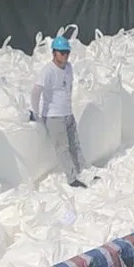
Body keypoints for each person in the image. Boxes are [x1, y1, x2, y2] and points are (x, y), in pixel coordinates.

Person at [29, 35, 87, 188]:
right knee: (63, 148)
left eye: (67, 52)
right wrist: (36, 113)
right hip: (54, 116)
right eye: (62, 52)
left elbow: (67, 89)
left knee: (75, 144)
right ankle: (72, 178)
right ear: (54, 53)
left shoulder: (69, 68)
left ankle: (84, 171)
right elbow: (36, 91)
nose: (65, 55)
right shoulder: (47, 71)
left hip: (68, 113)